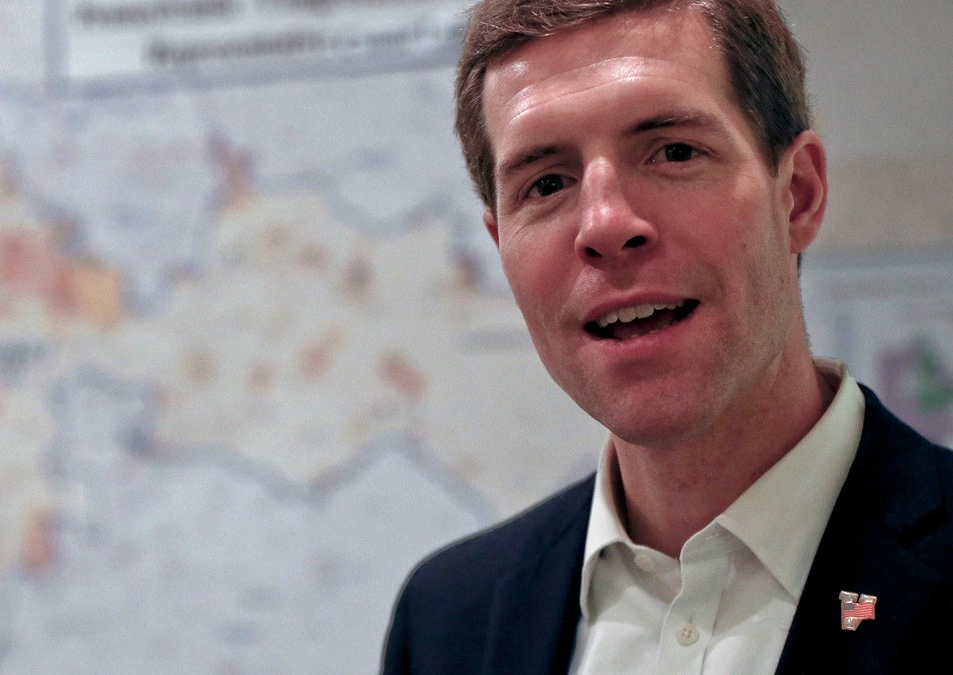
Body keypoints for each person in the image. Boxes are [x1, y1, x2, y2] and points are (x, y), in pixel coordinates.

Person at [382, 0, 953, 673]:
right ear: (501, 245)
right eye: (547, 182)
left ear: (797, 194)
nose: (604, 224)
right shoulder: (449, 621)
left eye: (674, 151)